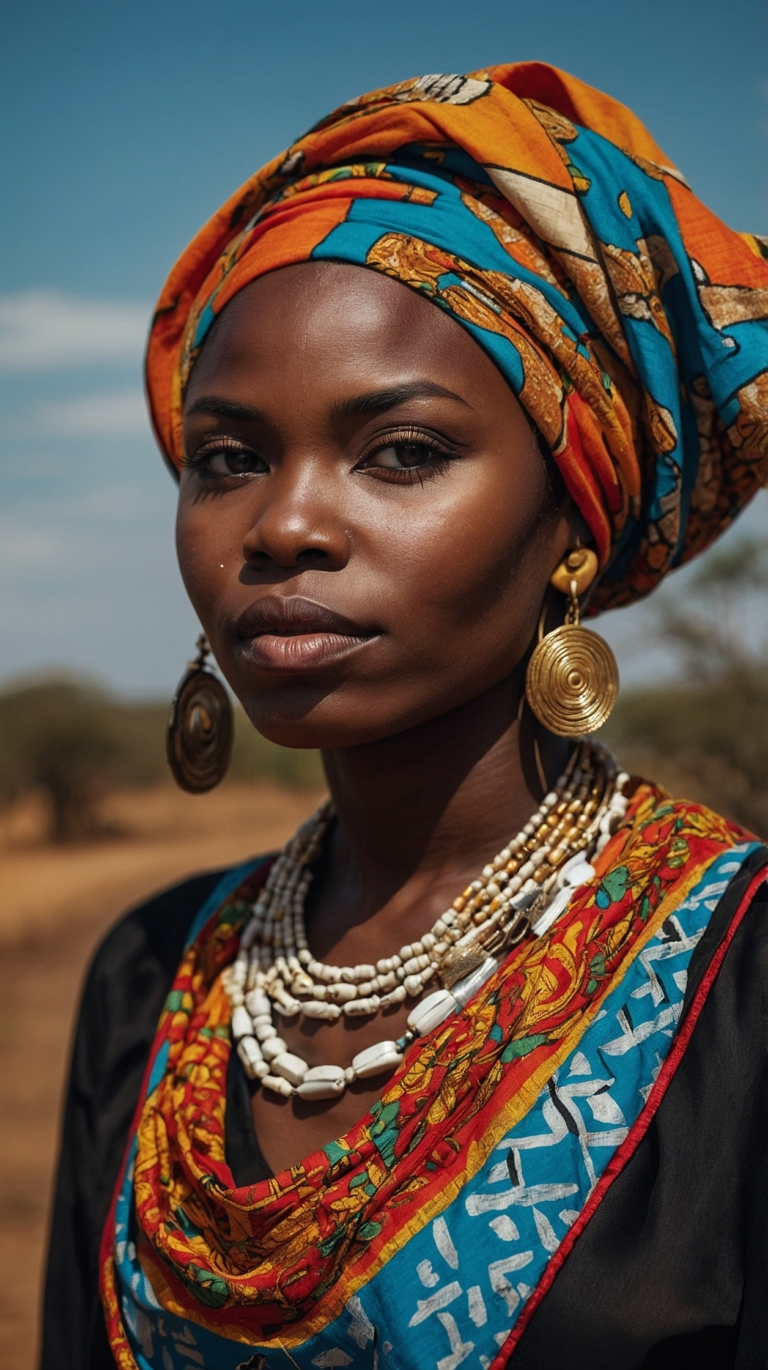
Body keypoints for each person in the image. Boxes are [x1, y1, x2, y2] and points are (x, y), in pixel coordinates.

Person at [42, 61, 768, 1370]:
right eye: (228, 459)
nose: (285, 524)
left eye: (403, 453)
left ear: (573, 516)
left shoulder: (742, 984)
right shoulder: (157, 974)